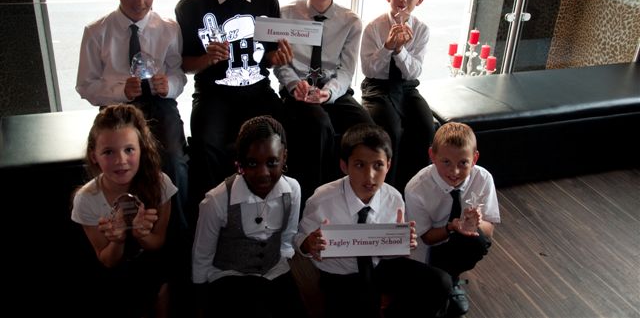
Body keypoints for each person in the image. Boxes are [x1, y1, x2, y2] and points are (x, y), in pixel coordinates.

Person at [175, 0, 292, 208]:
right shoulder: (191, 6)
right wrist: (206, 59)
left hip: (258, 88)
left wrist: (276, 58)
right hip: (213, 93)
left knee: (288, 132)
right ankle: (215, 212)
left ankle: (278, 206)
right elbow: (183, 65)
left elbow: (268, 54)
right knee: (205, 145)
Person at [76, 0, 189, 233]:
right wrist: (119, 92)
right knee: (119, 161)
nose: (140, 0)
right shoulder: (96, 32)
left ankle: (179, 231)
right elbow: (85, 86)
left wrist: (169, 86)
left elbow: (179, 74)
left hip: (159, 104)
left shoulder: (169, 28)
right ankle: (123, 228)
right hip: (116, 110)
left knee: (173, 159)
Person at [295, 123, 451, 318]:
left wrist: (404, 244)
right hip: (340, 274)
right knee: (363, 305)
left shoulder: (393, 197)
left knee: (440, 283)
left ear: (389, 165)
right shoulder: (322, 200)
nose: (369, 176)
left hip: (379, 266)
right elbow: (299, 239)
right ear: (344, 165)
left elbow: (393, 252)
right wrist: (309, 244)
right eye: (360, 165)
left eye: (378, 165)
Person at [275, 0, 373, 202]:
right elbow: (281, 64)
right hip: (297, 90)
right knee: (319, 126)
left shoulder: (350, 22)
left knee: (366, 127)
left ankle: (357, 194)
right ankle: (315, 198)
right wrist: (294, 84)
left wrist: (328, 92)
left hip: (333, 91)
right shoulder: (285, 16)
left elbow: (347, 71)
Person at [192, 116, 305, 317]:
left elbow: (287, 239)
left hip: (274, 271)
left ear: (284, 157)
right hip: (229, 275)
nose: (263, 173)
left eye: (272, 162)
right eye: (252, 163)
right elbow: (202, 255)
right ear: (239, 163)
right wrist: (201, 298)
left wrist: (282, 271)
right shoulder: (216, 201)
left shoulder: (292, 191)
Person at [71, 104, 177, 318]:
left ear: (141, 149)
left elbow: (158, 243)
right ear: (94, 156)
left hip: (151, 267)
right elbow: (107, 261)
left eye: (129, 150)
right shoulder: (86, 199)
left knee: (159, 275)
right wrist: (117, 240)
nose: (121, 161)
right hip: (111, 277)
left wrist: (142, 234)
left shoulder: (160, 183)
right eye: (108, 152)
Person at [405, 122, 500, 317]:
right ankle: (440, 280)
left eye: (463, 163)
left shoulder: (483, 179)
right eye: (446, 162)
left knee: (479, 242)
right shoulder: (416, 188)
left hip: (459, 240)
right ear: (432, 156)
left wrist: (475, 224)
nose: (454, 172)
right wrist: (451, 227)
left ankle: (452, 278)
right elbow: (426, 239)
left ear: (474, 159)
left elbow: (489, 230)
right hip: (429, 247)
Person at [360, 0, 435, 193]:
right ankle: (386, 190)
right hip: (377, 86)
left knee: (425, 126)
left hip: (407, 86)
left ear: (419, 0)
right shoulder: (374, 27)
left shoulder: (421, 30)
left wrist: (400, 50)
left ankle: (414, 190)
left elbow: (414, 72)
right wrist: (388, 47)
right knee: (389, 129)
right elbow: (368, 69)